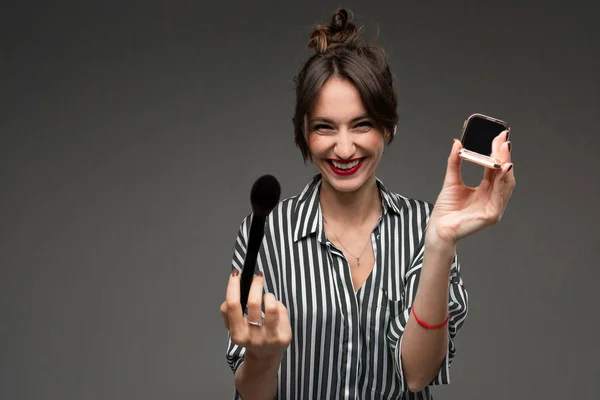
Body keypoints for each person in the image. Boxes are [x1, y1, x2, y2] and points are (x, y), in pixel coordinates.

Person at [220, 8, 515, 400]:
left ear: (388, 127)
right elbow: (253, 393)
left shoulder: (420, 227)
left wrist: (440, 242)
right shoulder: (267, 231)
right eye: (324, 127)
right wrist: (263, 358)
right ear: (304, 134)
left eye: (362, 124)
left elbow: (417, 375)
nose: (344, 149)